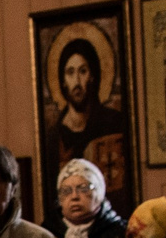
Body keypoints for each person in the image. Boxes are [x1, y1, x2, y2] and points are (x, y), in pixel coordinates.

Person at [46, 37, 130, 217]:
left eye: (82, 71)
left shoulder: (113, 123)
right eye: (70, 72)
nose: (77, 81)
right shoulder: (54, 137)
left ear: (92, 76)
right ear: (62, 80)